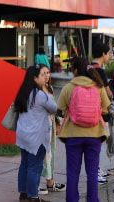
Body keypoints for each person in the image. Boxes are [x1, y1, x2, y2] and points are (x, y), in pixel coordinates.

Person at [57, 57, 110, 202]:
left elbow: (60, 110)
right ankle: (92, 199)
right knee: (92, 171)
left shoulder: (68, 88)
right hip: (94, 135)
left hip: (73, 136)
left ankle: (72, 199)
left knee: (73, 172)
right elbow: (106, 109)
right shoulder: (98, 87)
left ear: (75, 70)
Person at [15, 64, 57, 202]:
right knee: (34, 167)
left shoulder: (23, 92)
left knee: (25, 164)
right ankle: (33, 197)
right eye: (41, 75)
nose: (45, 77)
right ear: (34, 78)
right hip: (36, 137)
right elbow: (53, 108)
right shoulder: (40, 95)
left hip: (23, 135)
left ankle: (23, 194)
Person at [38, 67, 66, 195]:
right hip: (39, 128)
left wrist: (57, 124)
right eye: (43, 73)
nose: (46, 76)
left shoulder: (50, 89)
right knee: (39, 156)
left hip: (50, 127)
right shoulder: (37, 90)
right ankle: (35, 184)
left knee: (49, 155)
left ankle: (50, 181)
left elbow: (54, 110)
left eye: (48, 73)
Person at [91, 42, 113, 183]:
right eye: (109, 53)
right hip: (99, 112)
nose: (110, 56)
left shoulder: (87, 68)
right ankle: (94, 172)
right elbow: (108, 93)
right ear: (103, 54)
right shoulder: (100, 71)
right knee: (96, 144)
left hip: (87, 110)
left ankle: (96, 169)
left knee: (94, 143)